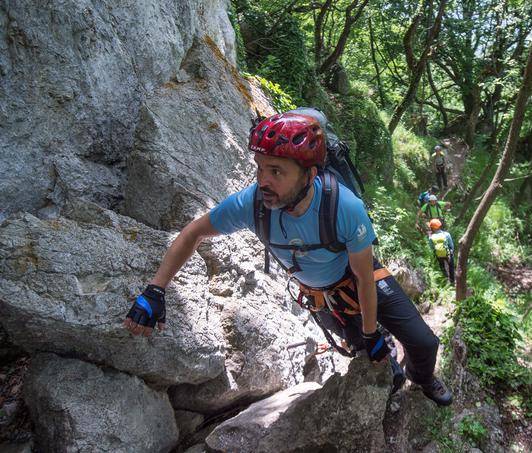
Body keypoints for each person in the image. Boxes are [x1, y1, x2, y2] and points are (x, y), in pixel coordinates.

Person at [123, 112, 452, 406]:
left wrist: (371, 331)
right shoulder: (251, 204)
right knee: (373, 360)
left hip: (359, 277)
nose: (263, 181)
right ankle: (394, 377)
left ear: (310, 174)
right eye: (260, 169)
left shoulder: (344, 207)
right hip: (322, 298)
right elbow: (193, 233)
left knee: (424, 342)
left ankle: (422, 377)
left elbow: (365, 277)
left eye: (276, 171)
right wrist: (156, 289)